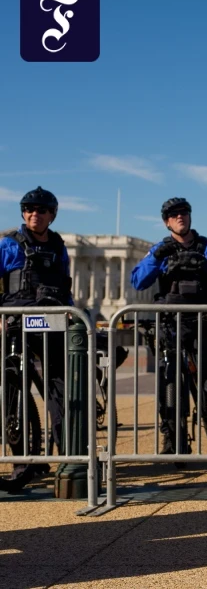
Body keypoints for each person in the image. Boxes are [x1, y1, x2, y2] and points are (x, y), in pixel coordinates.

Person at [130, 197, 207, 456]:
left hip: (201, 321)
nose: (180, 217)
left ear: (190, 217)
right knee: (168, 383)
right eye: (174, 214)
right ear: (167, 221)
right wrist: (155, 255)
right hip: (170, 325)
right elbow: (138, 282)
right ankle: (171, 438)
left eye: (184, 213)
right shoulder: (160, 249)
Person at [0, 187, 72, 493]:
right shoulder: (9, 244)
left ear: (52, 215)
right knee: (14, 389)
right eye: (29, 209)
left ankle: (68, 457)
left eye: (41, 210)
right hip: (16, 323)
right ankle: (23, 462)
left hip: (52, 324)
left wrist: (70, 311)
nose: (34, 214)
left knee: (58, 390)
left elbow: (65, 284)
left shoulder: (58, 247)